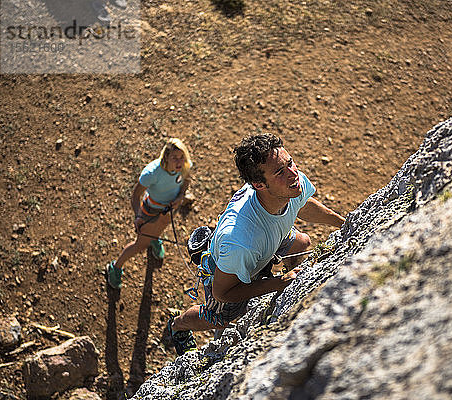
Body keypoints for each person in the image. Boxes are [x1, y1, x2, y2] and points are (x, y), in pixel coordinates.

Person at [167, 133, 345, 355]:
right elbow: (222, 293)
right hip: (231, 268)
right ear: (258, 184)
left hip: (266, 242)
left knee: (302, 242)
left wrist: (344, 223)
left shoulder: (290, 186)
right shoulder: (241, 242)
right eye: (280, 171)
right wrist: (279, 283)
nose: (293, 174)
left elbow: (303, 204)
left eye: (290, 163)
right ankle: (177, 326)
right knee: (220, 318)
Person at [106, 138, 193, 290]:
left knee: (160, 229)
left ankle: (155, 239)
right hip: (150, 211)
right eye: (175, 158)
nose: (179, 162)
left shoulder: (185, 166)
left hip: (169, 209)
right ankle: (115, 267)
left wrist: (180, 197)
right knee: (140, 244)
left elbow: (186, 181)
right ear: (166, 157)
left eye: (181, 157)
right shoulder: (151, 173)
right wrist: (138, 217)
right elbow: (135, 196)